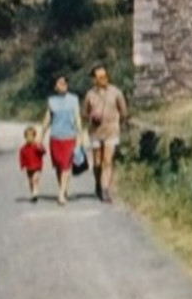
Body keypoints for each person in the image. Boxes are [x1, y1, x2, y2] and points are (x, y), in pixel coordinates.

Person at [83, 64, 129, 203]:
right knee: (97, 162)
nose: (104, 79)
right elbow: (84, 113)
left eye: (105, 76)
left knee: (107, 161)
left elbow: (124, 111)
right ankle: (98, 183)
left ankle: (105, 189)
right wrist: (92, 116)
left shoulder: (116, 92)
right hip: (95, 132)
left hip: (111, 131)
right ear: (94, 80)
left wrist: (118, 122)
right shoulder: (90, 95)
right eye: (100, 77)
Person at [40, 75, 83, 205]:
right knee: (59, 166)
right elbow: (47, 119)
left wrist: (80, 135)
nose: (63, 85)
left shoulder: (74, 99)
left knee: (66, 166)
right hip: (55, 137)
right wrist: (41, 136)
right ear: (55, 86)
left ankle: (61, 194)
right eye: (60, 83)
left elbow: (77, 117)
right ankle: (63, 190)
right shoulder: (51, 101)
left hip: (69, 137)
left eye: (64, 83)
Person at [17, 125, 46, 203]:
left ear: (34, 136)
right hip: (29, 167)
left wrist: (41, 148)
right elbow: (21, 157)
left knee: (35, 179)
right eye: (27, 136)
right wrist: (22, 165)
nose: (29, 138)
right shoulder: (23, 148)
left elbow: (43, 152)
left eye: (31, 136)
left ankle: (35, 192)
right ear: (25, 137)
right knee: (30, 181)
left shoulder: (36, 146)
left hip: (37, 166)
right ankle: (32, 192)